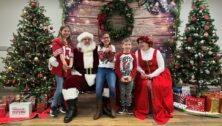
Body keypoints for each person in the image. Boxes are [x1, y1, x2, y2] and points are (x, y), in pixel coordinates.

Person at [133, 36, 174, 125]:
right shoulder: (138, 52)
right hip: (144, 75)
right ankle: (146, 109)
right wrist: (141, 71)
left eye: (143, 42)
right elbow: (136, 65)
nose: (141, 44)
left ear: (148, 43)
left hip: (158, 74)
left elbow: (161, 67)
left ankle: (155, 110)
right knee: (145, 85)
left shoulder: (156, 52)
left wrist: (151, 75)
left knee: (155, 85)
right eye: (139, 43)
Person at [62, 32, 98, 123]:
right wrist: (63, 64)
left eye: (88, 39)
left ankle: (104, 107)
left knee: (106, 81)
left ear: (91, 40)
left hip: (96, 75)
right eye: (84, 39)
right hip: (81, 75)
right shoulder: (76, 51)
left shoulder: (97, 49)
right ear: (81, 41)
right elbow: (70, 61)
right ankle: (72, 109)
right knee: (69, 82)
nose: (86, 41)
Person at [49, 25, 74, 117]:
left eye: (68, 31)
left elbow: (71, 56)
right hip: (60, 68)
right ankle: (53, 107)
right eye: (65, 31)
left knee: (64, 88)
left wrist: (70, 65)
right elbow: (60, 54)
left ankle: (61, 105)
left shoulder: (70, 43)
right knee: (59, 88)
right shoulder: (57, 41)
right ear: (60, 31)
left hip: (67, 68)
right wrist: (64, 64)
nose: (66, 32)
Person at [93, 32, 117, 120]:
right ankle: (99, 110)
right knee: (98, 89)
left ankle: (113, 108)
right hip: (101, 69)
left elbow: (111, 60)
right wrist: (107, 51)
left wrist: (107, 52)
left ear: (109, 39)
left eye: (108, 37)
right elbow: (102, 58)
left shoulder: (113, 47)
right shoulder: (99, 47)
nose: (106, 39)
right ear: (102, 39)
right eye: (104, 38)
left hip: (110, 70)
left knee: (112, 87)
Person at [115, 38, 137, 114]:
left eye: (129, 44)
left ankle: (128, 106)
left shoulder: (133, 56)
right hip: (122, 77)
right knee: (122, 92)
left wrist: (131, 76)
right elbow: (117, 67)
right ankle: (122, 106)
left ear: (131, 46)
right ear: (122, 46)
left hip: (130, 77)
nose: (127, 46)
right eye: (126, 44)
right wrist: (120, 77)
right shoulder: (119, 55)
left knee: (129, 92)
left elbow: (134, 67)